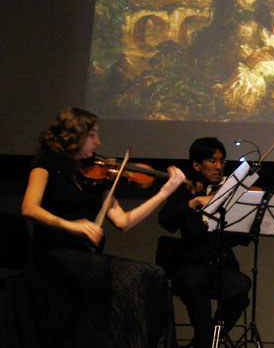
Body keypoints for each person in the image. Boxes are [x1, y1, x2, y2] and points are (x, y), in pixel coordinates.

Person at [1, 106, 186, 348]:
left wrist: (164, 192)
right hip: (52, 258)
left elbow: (123, 221)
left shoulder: (94, 177)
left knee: (154, 275)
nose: (98, 142)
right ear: (73, 135)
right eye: (92, 135)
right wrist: (70, 226)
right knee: (139, 277)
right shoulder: (44, 168)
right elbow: (29, 209)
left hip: (87, 261)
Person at [158, 137, 252, 348]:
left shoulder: (229, 192)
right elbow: (165, 220)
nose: (219, 167)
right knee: (194, 283)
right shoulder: (186, 190)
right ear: (196, 165)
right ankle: (206, 342)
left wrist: (246, 222)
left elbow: (239, 238)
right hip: (191, 263)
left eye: (222, 161)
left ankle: (203, 343)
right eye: (212, 161)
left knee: (240, 288)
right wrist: (193, 202)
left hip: (221, 264)